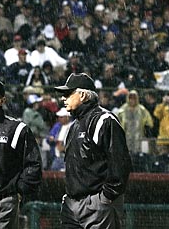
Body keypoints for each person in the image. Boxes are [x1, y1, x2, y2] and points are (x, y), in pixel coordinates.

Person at [54, 73, 132, 228]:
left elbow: (120, 163)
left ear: (83, 95)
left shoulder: (104, 120)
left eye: (68, 93)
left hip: (96, 204)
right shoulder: (75, 125)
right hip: (72, 205)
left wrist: (106, 197)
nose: (63, 98)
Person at [0, 77, 42, 228]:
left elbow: (33, 164)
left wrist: (17, 192)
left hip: (2, 200)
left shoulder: (16, 128)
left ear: (2, 100)